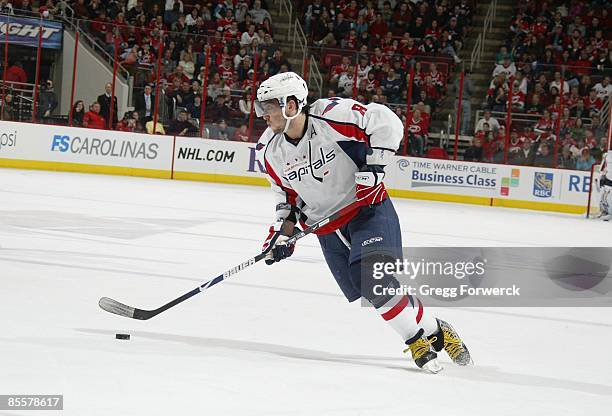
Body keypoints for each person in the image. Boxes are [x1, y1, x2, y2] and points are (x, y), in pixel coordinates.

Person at [254, 72, 471, 373]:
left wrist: (374, 168)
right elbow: (286, 200)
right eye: (260, 107)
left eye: (269, 106)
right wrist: (280, 235)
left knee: (372, 279)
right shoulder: (268, 151)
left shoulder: (331, 116)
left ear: (292, 104)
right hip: (327, 229)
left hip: (368, 211)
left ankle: (416, 339)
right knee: (372, 288)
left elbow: (386, 122)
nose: (262, 114)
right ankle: (436, 329)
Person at [596, 147, 611, 220]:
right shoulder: (607, 155)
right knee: (604, 196)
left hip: (608, 179)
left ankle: (606, 212)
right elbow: (601, 169)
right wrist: (602, 174)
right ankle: (605, 211)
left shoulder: (607, 155)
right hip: (608, 179)